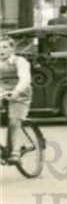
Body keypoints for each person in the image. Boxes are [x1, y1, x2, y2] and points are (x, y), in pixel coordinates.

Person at [0, 35, 33, 164]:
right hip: (3, 93)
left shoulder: (20, 61)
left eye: (5, 47)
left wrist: (16, 92)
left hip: (20, 93)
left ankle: (16, 153)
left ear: (12, 49)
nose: (1, 50)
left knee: (14, 120)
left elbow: (25, 80)